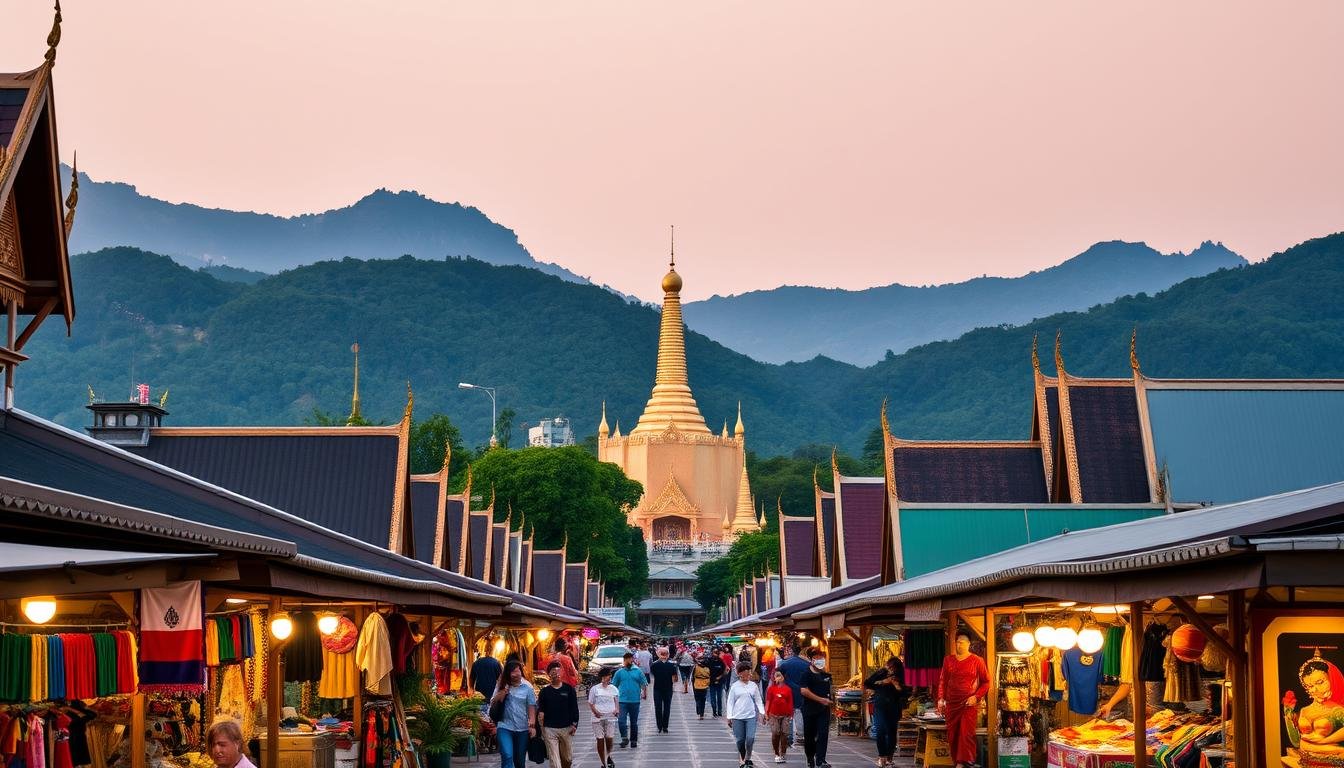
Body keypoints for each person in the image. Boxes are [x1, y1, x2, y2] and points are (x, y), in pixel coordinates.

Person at [938, 632, 990, 768]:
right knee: (953, 734)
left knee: (966, 734)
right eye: (957, 642)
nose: (958, 644)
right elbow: (943, 681)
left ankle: (963, 763)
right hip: (951, 704)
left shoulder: (977, 660)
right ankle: (957, 762)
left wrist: (976, 697)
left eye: (962, 642)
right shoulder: (948, 660)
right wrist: (941, 699)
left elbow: (986, 682)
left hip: (968, 704)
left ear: (968, 644)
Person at [490, 660, 538, 768]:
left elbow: (531, 706)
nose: (516, 674)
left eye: (518, 671)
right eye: (513, 671)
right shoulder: (502, 685)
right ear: (508, 674)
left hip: (522, 728)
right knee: (507, 755)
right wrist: (503, 692)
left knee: (519, 761)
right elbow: (492, 702)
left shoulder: (527, 687)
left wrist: (532, 725)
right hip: (504, 726)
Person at [864, 657, 908, 768]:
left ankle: (890, 757)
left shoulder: (901, 675)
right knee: (880, 730)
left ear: (897, 668)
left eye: (892, 668)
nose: (890, 669)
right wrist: (883, 682)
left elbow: (905, 693)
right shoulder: (881, 672)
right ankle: (882, 756)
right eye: (889, 666)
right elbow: (867, 683)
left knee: (891, 732)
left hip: (894, 707)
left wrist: (896, 685)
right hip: (880, 705)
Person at [538, 660, 580, 768]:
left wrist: (574, 724)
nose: (556, 674)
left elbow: (574, 708)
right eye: (553, 672)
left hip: (566, 728)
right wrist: (542, 728)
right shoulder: (544, 692)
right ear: (549, 674)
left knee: (568, 758)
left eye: (558, 671)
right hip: (550, 729)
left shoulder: (569, 689)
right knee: (555, 760)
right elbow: (541, 711)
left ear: (561, 673)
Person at [726, 663, 767, 768]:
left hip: (750, 716)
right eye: (746, 673)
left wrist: (762, 712)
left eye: (749, 673)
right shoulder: (735, 686)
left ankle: (747, 758)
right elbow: (730, 702)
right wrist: (729, 716)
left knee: (750, 738)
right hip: (737, 717)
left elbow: (758, 700)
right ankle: (743, 757)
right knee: (740, 740)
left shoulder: (753, 686)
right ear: (740, 674)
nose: (748, 675)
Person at [799, 648, 833, 768]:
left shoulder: (826, 675)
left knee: (823, 734)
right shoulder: (806, 674)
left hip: (824, 710)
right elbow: (804, 690)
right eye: (817, 658)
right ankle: (810, 757)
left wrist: (830, 701)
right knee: (810, 736)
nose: (820, 660)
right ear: (811, 659)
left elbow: (830, 691)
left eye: (822, 658)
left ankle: (821, 760)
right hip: (809, 709)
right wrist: (820, 700)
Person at [775, 645, 809, 747]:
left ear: (792, 652)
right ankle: (801, 736)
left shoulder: (784, 663)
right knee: (798, 712)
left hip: (786, 691)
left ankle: (787, 737)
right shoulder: (807, 664)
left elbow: (777, 677)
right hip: (801, 691)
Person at [612, 652, 648, 749]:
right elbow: (613, 686)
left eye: (630, 659)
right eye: (626, 659)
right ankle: (624, 738)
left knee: (634, 722)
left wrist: (645, 693)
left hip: (635, 700)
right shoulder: (619, 672)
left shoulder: (638, 671)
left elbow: (644, 683)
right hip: (622, 701)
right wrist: (613, 699)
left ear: (632, 660)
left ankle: (633, 740)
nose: (628, 661)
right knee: (621, 721)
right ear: (624, 661)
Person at [588, 667, 619, 768]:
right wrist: (595, 712)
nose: (609, 677)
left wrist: (617, 709)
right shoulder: (595, 689)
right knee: (600, 739)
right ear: (603, 677)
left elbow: (616, 701)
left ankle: (608, 755)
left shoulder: (613, 688)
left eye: (610, 676)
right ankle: (603, 762)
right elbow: (591, 703)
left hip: (610, 717)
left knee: (609, 737)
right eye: (608, 675)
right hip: (597, 718)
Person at [764, 669, 795, 764]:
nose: (778, 678)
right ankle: (776, 753)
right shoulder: (771, 689)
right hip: (773, 714)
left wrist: (791, 714)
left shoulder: (788, 689)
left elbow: (790, 702)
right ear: (774, 678)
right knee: (775, 733)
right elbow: (768, 701)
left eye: (780, 675)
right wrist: (766, 713)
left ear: (783, 677)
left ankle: (783, 753)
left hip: (785, 715)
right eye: (776, 676)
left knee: (784, 734)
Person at [649, 647, 679, 733]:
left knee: (658, 708)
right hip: (668, 688)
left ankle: (659, 726)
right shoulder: (672, 665)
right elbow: (675, 679)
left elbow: (653, 675)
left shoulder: (654, 665)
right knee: (667, 708)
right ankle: (665, 726)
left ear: (658, 654)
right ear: (668, 655)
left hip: (657, 689)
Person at [706, 647, 728, 717]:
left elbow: (725, 670)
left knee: (719, 697)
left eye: (716, 652)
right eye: (714, 652)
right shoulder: (709, 661)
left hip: (720, 682)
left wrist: (720, 677)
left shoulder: (721, 661)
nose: (715, 654)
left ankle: (719, 711)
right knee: (713, 698)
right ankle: (714, 711)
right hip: (712, 682)